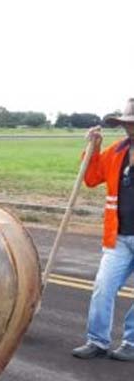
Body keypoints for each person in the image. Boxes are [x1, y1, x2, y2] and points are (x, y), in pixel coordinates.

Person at [72, 99, 134, 361]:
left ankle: (131, 343)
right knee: (103, 287)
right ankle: (97, 341)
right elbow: (91, 177)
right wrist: (93, 148)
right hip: (118, 236)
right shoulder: (117, 151)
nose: (128, 128)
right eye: (126, 123)